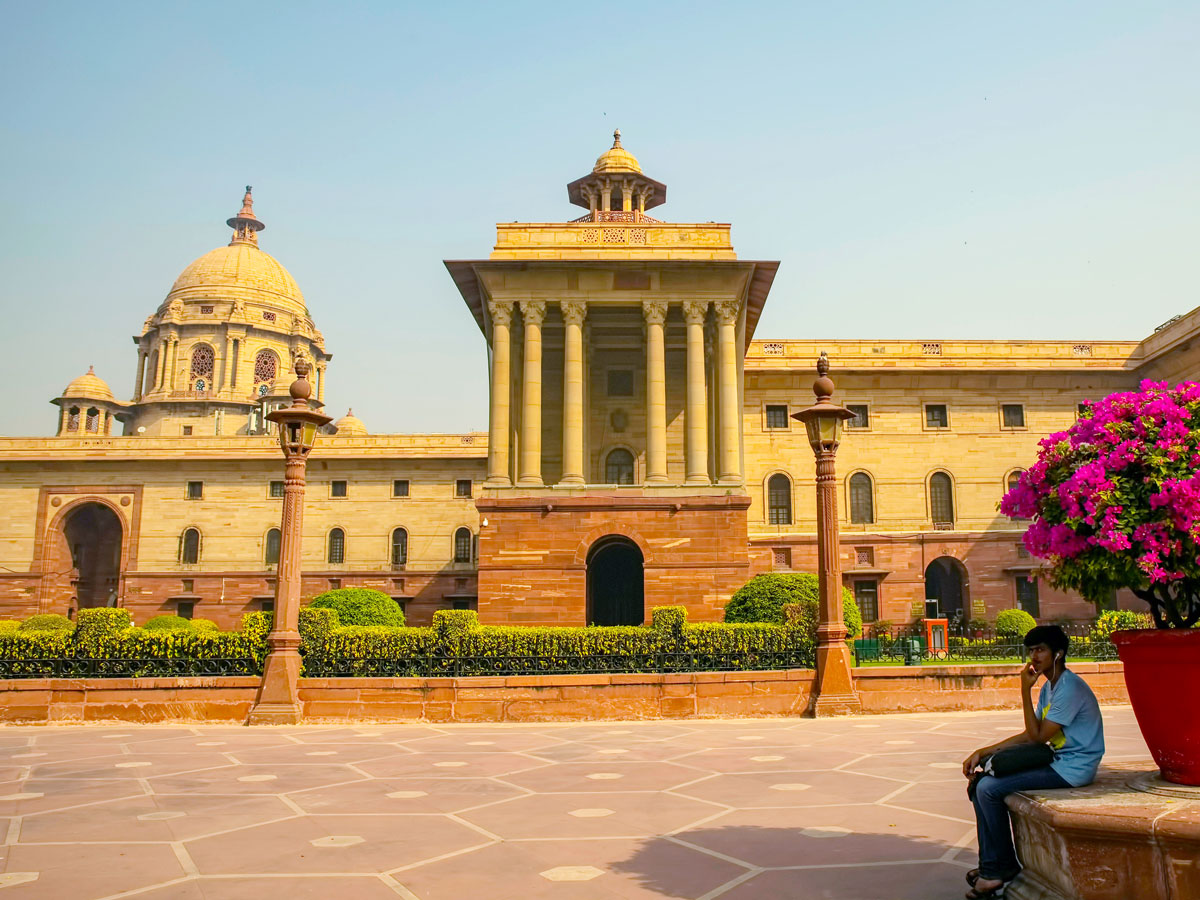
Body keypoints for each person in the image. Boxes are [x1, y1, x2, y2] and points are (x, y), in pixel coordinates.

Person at [960, 625, 1104, 898]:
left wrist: (1024, 690)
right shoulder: (1051, 687)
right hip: (1056, 760)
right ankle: (995, 866)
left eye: (1040, 650)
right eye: (1031, 650)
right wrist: (983, 751)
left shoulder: (1069, 688)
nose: (1033, 657)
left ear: (1058, 654)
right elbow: (1030, 734)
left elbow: (1037, 738)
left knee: (988, 789)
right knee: (981, 784)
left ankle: (996, 869)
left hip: (1074, 768)